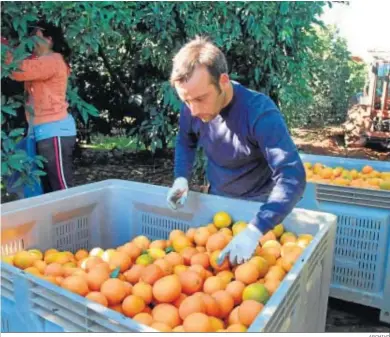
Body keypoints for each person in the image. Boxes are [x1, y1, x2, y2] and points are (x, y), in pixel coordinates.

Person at [166, 36, 306, 265]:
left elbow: (292, 176)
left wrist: (256, 229)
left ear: (223, 81)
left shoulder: (259, 113)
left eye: (200, 99)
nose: (193, 110)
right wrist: (181, 177)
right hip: (218, 199)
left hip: (260, 206)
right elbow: (185, 139)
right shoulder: (192, 107)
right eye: (187, 100)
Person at [5, 20, 77, 193]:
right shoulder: (38, 60)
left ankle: (76, 219)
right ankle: (56, 220)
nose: (32, 41)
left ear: (49, 40)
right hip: (42, 131)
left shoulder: (53, 60)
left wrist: (3, 48)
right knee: (46, 189)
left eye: (36, 36)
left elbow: (18, 70)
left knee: (62, 186)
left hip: (55, 131)